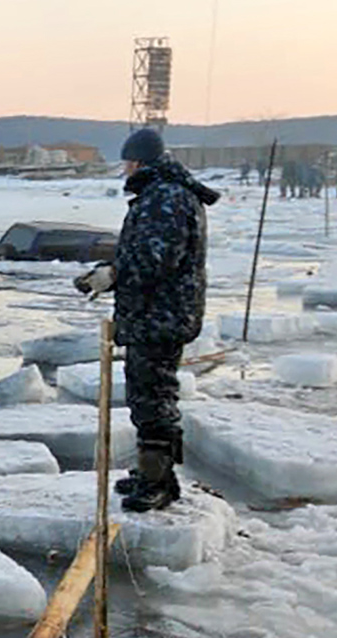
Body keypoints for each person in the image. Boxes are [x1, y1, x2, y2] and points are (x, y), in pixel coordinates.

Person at [75, 128, 218, 512]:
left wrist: (113, 274)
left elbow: (156, 259)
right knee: (147, 394)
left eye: (126, 162)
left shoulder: (166, 198)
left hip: (161, 315)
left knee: (154, 397)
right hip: (155, 314)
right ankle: (153, 472)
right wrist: (113, 270)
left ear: (139, 161)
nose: (124, 169)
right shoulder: (161, 194)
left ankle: (159, 483)